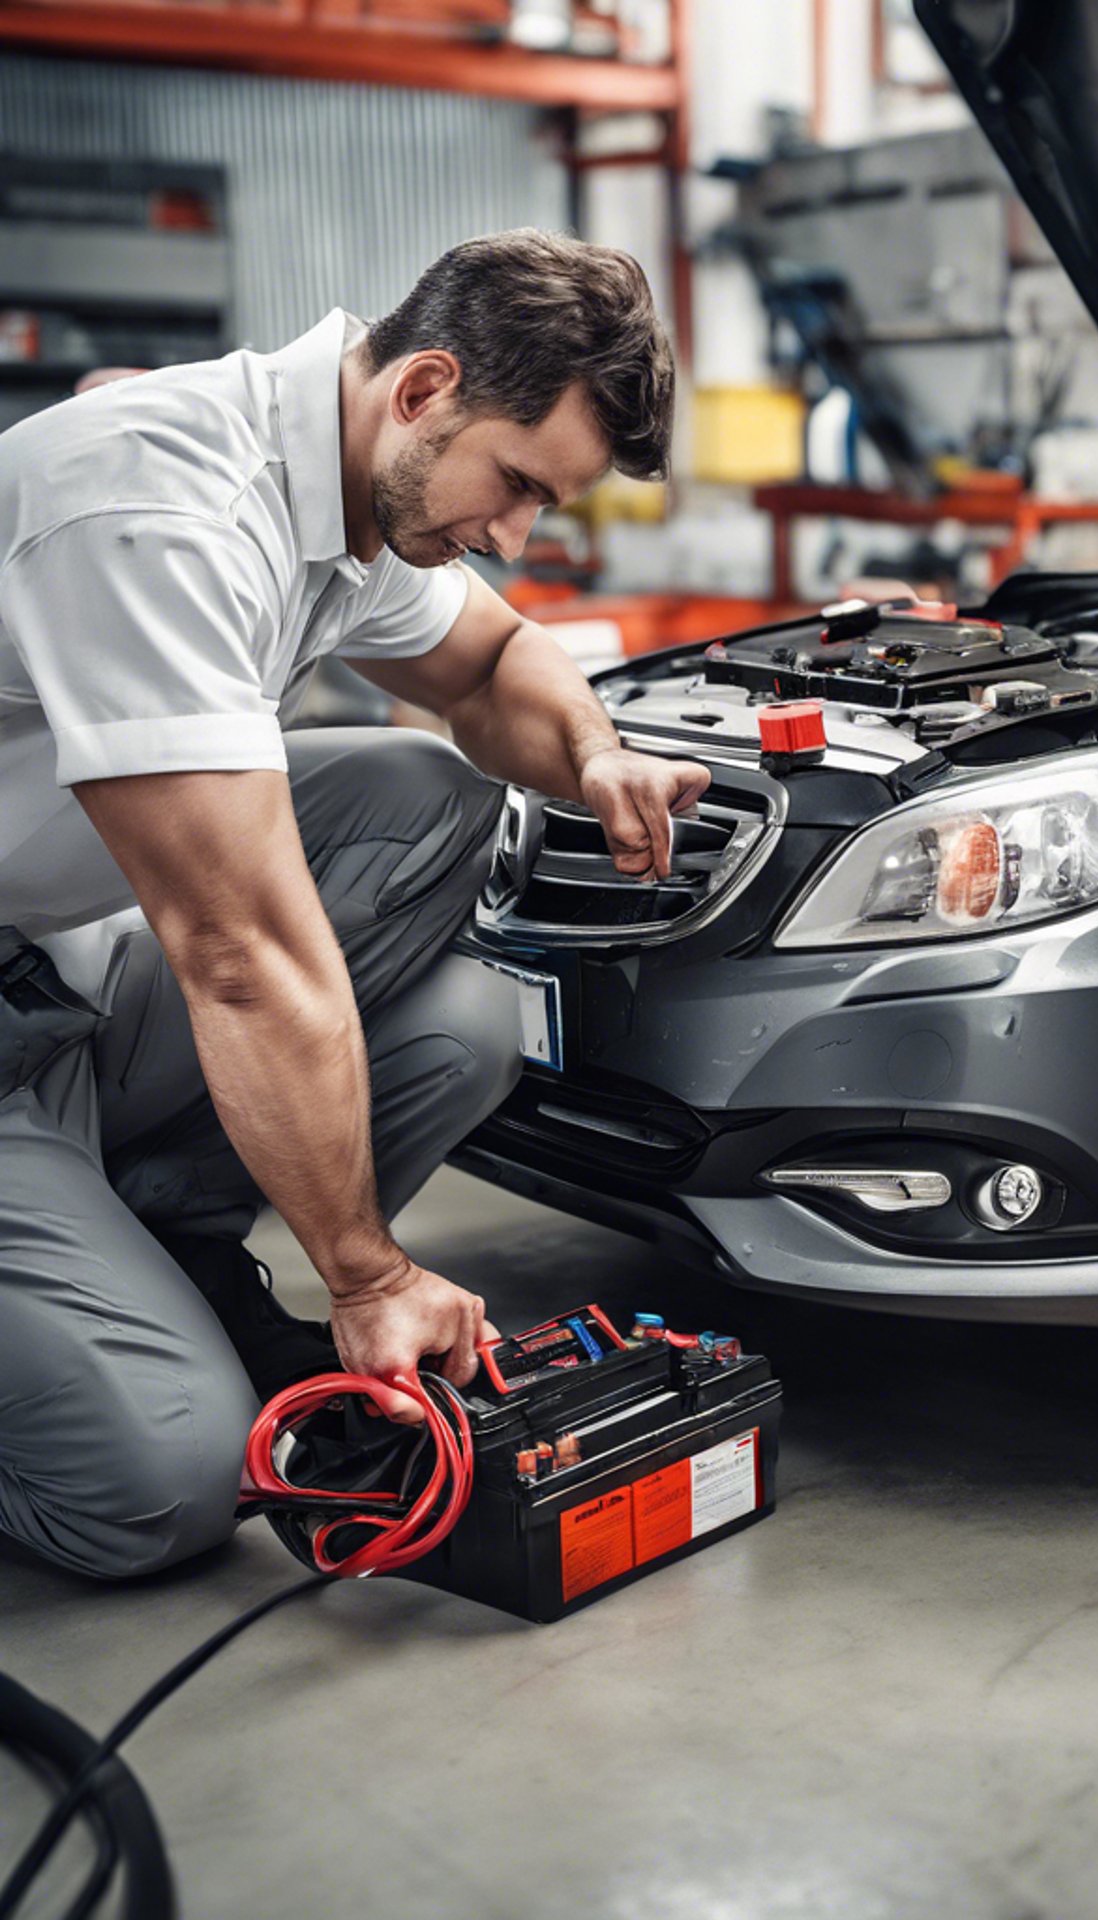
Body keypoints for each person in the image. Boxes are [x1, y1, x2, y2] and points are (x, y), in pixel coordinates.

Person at [0, 230, 710, 1579]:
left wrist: (598, 751)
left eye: (544, 508)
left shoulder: (352, 489)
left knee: (452, 956)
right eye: (517, 485)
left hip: (48, 979)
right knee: (163, 1482)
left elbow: (496, 657)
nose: (512, 534)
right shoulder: (156, 514)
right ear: (425, 389)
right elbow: (241, 960)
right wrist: (368, 1275)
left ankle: (162, 1242)